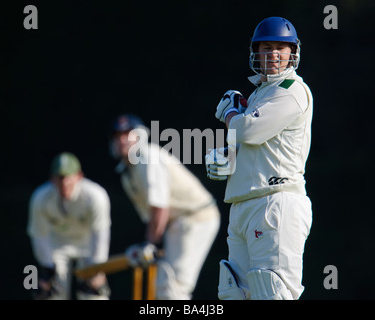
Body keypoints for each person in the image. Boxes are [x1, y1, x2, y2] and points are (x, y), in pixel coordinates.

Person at [206, 16, 313, 300]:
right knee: (236, 294)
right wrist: (226, 160)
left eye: (281, 47)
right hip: (243, 205)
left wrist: (229, 113)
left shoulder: (291, 90)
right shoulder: (258, 96)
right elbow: (252, 147)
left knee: (272, 293)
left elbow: (248, 130)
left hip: (275, 204)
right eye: (266, 48)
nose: (274, 54)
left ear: (293, 53)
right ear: (256, 53)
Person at [109, 114, 221, 300]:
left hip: (196, 218)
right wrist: (148, 244)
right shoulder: (126, 173)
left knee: (174, 287)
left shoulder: (147, 156)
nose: (122, 140)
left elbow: (160, 207)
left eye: (127, 134)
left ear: (139, 136)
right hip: (177, 224)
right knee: (162, 286)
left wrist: (149, 244)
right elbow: (153, 216)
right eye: (117, 136)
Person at [27, 151, 112, 300]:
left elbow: (101, 233)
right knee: (52, 294)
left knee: (93, 295)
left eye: (68, 177)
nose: (65, 183)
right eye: (60, 178)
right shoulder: (40, 198)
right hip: (57, 245)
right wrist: (48, 268)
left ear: (79, 176)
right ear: (52, 179)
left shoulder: (95, 196)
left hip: (88, 245)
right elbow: (39, 234)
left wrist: (98, 267)